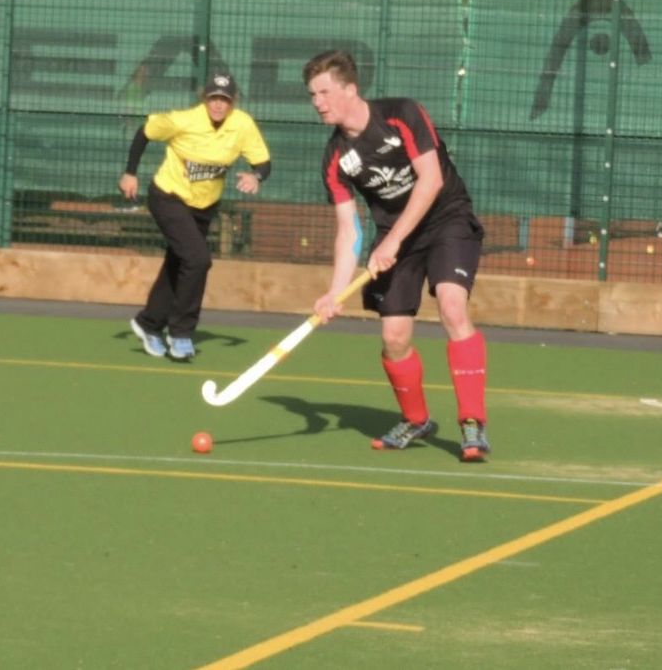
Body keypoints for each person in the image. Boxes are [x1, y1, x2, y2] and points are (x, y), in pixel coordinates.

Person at [302, 50, 489, 461]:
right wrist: (334, 291)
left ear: (350, 89)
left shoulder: (402, 114)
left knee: (453, 308)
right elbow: (348, 229)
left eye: (324, 92)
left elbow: (432, 179)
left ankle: (472, 423)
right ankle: (416, 419)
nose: (317, 102)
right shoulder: (336, 159)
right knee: (394, 337)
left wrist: (391, 242)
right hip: (396, 239)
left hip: (446, 220)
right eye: (312, 94)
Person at [119, 72, 271, 361]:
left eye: (224, 100)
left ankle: (148, 323)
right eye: (213, 98)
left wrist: (256, 176)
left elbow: (263, 162)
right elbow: (146, 131)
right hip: (169, 196)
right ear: (205, 98)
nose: (218, 105)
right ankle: (181, 333)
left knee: (179, 263)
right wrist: (130, 173)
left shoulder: (242, 124)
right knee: (198, 260)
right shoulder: (184, 120)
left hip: (204, 207)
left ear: (232, 102)